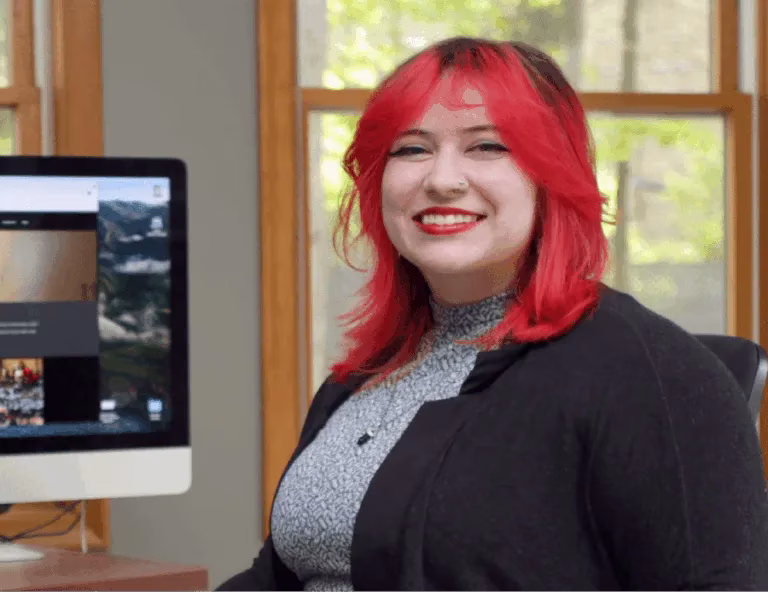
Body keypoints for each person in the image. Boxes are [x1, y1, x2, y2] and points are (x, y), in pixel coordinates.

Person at [218, 37, 768, 591]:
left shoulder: (652, 373)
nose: (442, 179)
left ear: (550, 176)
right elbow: (278, 578)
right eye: (412, 149)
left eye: (487, 147)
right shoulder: (365, 377)